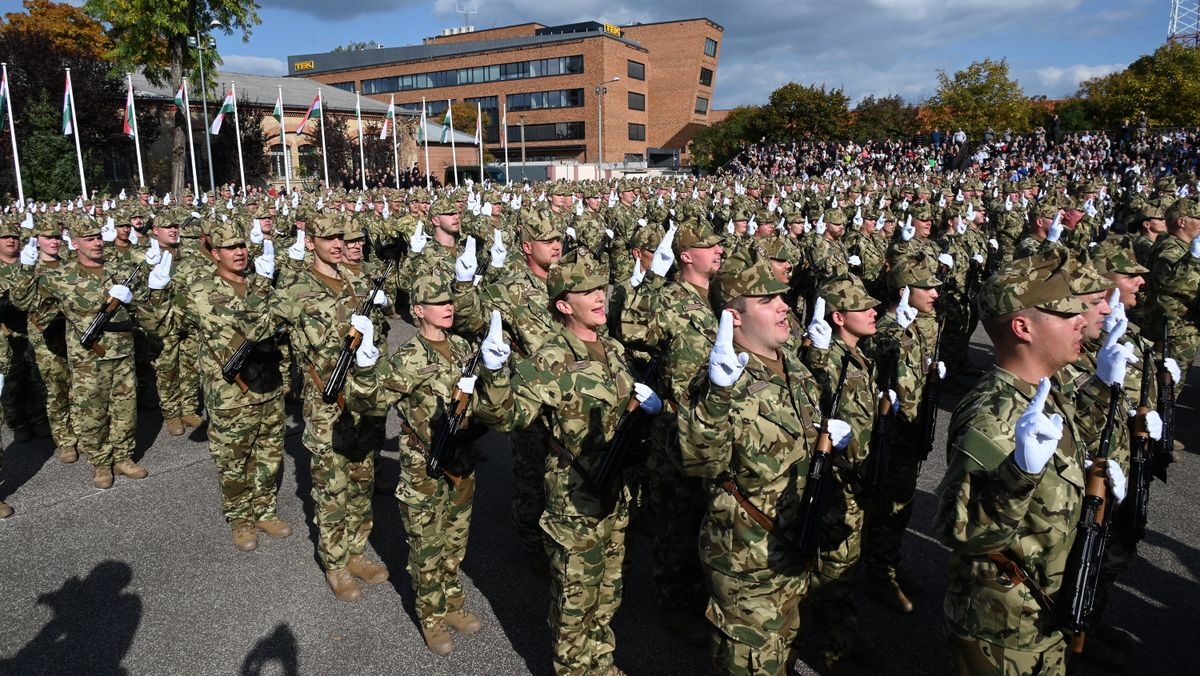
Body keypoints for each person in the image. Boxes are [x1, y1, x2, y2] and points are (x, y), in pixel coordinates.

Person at [474, 252, 663, 676]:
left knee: (610, 589)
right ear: (563, 305)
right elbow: (504, 417)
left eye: (601, 287)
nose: (600, 296)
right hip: (577, 496)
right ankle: (574, 669)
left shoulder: (612, 348)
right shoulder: (549, 357)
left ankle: (601, 662)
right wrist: (496, 374)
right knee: (575, 598)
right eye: (586, 291)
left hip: (618, 490)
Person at [678, 247, 846, 676]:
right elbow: (699, 462)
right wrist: (716, 397)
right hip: (747, 561)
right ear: (734, 316)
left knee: (783, 650)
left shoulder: (792, 364)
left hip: (793, 545)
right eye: (767, 300)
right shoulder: (721, 378)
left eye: (782, 297)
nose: (783, 307)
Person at [934, 254, 1097, 675]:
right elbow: (963, 531)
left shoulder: (1044, 390)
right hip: (1003, 629)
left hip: (1044, 611)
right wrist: (1018, 475)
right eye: (1065, 313)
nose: (1081, 320)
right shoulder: (992, 415)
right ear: (1022, 328)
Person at [352, 269, 488, 655]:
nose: (447, 308)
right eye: (438, 303)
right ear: (418, 311)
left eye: (449, 302)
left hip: (462, 462)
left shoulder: (464, 349)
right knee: (427, 547)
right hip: (423, 468)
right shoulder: (408, 357)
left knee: (455, 542)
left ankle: (453, 602)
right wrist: (365, 369)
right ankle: (430, 616)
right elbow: (370, 403)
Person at [146, 220, 290, 551]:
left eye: (242, 246)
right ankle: (240, 519)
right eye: (230, 248)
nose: (239, 253)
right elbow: (161, 326)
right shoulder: (198, 292)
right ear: (215, 253)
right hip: (228, 395)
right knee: (233, 458)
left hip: (268, 385)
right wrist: (155, 293)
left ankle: (265, 510)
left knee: (269, 453)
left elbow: (279, 325)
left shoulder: (262, 283)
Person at [273, 215, 389, 602]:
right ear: (311, 243)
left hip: (363, 400)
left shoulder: (358, 282)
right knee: (331, 484)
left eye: (342, 236)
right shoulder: (295, 288)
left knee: (362, 479)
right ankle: (336, 563)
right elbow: (258, 330)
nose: (338, 243)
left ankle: (357, 551)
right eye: (328, 237)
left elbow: (378, 335)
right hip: (324, 401)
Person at [802, 275, 884, 674]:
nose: (874, 311)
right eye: (862, 308)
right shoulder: (830, 358)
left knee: (845, 564)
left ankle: (839, 633)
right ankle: (832, 648)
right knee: (833, 566)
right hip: (838, 482)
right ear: (838, 317)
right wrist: (816, 358)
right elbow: (819, 406)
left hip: (857, 479)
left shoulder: (856, 354)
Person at [36, 218, 153, 489]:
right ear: (74, 243)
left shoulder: (119, 270)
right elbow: (38, 312)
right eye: (88, 238)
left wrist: (135, 297)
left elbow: (143, 309)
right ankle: (101, 463)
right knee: (92, 412)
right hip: (88, 359)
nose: (97, 242)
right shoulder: (61, 276)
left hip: (122, 352)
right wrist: (26, 271)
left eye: (98, 237)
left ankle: (123, 457)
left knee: (125, 409)